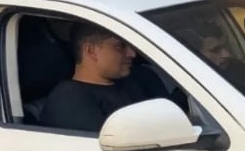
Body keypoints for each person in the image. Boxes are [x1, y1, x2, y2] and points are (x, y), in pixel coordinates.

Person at [41, 22, 169, 132]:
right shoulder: (69, 98)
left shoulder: (139, 78)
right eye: (120, 46)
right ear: (91, 51)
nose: (132, 53)